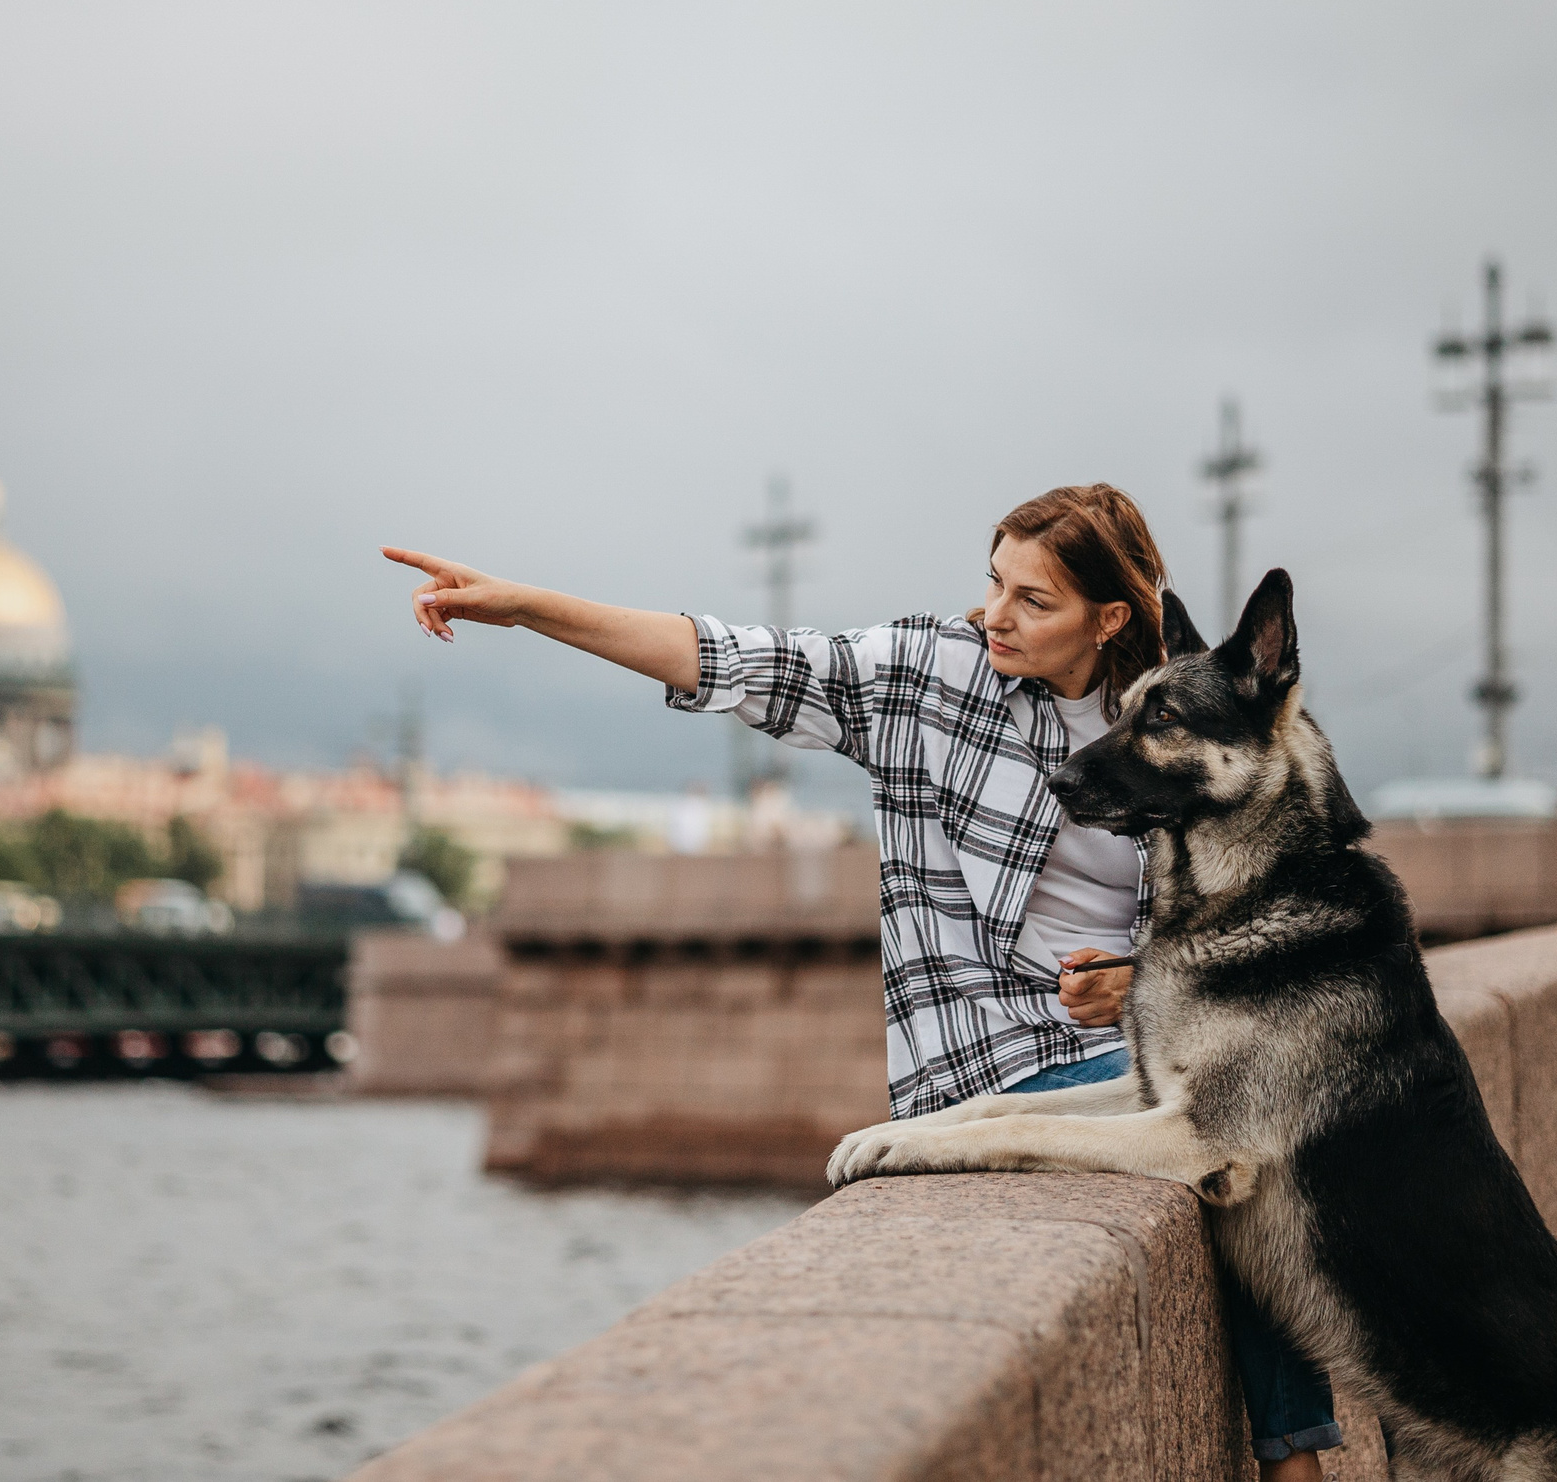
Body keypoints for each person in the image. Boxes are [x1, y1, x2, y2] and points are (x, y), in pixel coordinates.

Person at [383, 484, 1342, 1479]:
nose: (996, 615)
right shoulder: (931, 676)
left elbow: (1253, 908)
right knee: (1233, 1133)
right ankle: (1296, 1464)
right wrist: (525, 607)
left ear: (1106, 619)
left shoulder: (1178, 721)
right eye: (995, 582)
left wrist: (1138, 980)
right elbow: (725, 657)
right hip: (992, 1062)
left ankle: (1301, 1454)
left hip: (1144, 1046)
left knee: (1253, 1130)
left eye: (1033, 600)